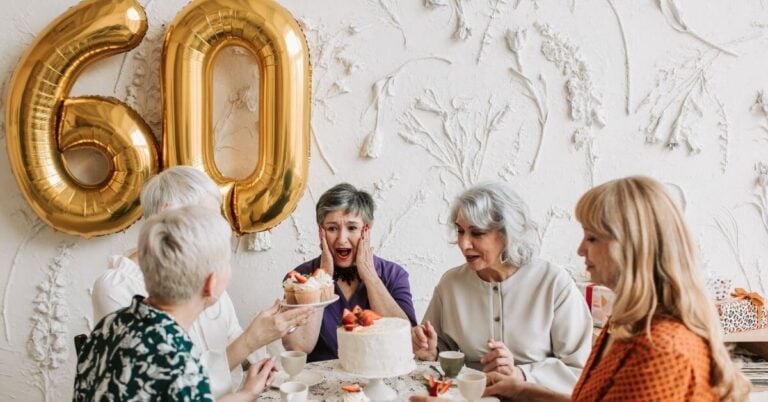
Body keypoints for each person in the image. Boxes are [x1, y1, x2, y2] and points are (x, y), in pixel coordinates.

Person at [479, 176, 750, 401]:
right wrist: (521, 389)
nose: (580, 250)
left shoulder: (662, 349)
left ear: (632, 247)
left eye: (592, 237)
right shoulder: (627, 322)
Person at [90, 166, 313, 397]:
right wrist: (250, 344)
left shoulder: (201, 272)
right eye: (209, 222)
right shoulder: (119, 290)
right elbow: (171, 385)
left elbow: (231, 338)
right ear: (169, 216)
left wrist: (262, 349)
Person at [75, 206, 276, 401]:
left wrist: (246, 393)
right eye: (227, 262)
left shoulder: (110, 324)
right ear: (211, 284)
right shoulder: (178, 360)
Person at [411, 182, 593, 394]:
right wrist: (430, 352)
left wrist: (521, 374)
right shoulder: (450, 284)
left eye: (477, 233)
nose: (464, 244)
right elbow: (441, 354)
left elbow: (581, 369)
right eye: (460, 231)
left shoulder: (552, 282)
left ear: (508, 233)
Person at [282, 183, 417, 361]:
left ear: (366, 230)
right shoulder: (298, 278)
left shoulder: (394, 274)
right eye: (332, 228)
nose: (341, 239)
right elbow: (299, 347)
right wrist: (321, 279)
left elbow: (406, 340)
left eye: (352, 228)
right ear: (320, 231)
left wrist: (369, 276)